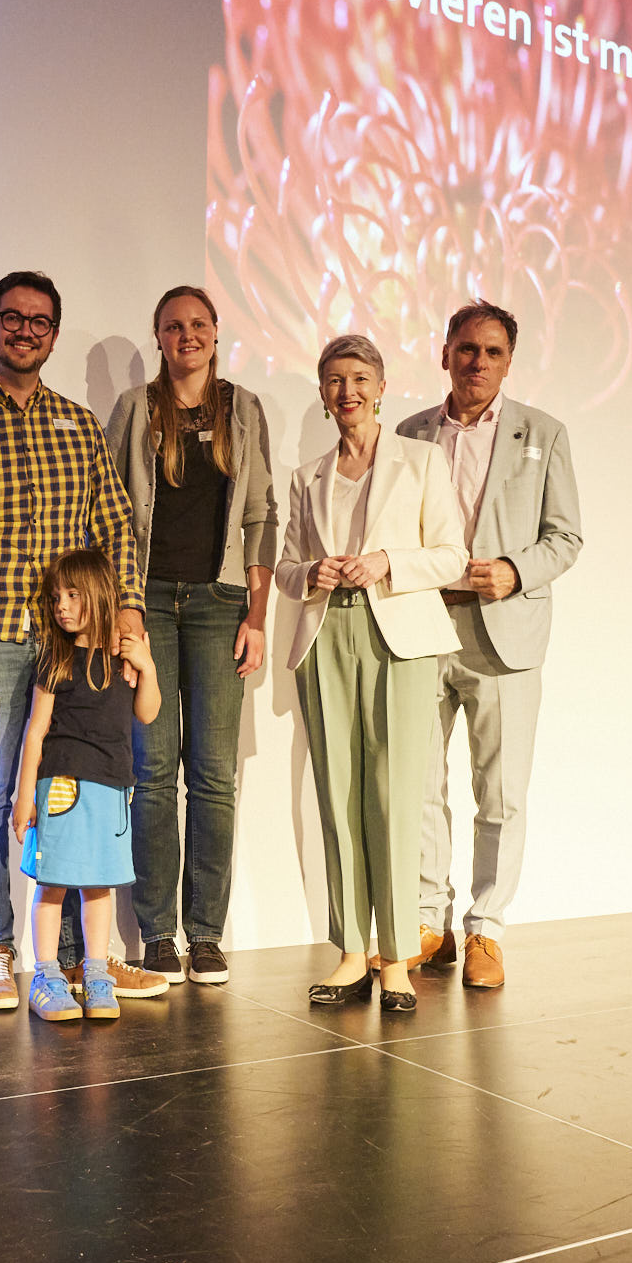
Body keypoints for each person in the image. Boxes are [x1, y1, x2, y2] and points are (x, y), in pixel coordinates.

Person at [0, 271, 169, 1009]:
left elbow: (115, 525)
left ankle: (79, 961)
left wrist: (127, 610)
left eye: (39, 321)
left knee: (74, 788)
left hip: (70, 645)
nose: (24, 330)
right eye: (11, 318)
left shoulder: (78, 425)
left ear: (53, 334)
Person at [276, 334, 466, 1013]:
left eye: (359, 378)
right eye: (334, 379)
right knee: (338, 794)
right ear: (323, 392)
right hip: (326, 633)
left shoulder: (421, 460)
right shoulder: (308, 476)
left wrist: (387, 562)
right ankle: (352, 950)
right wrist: (312, 572)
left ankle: (396, 956)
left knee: (394, 796)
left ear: (381, 388)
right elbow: (285, 568)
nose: (347, 390)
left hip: (400, 638)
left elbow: (452, 556)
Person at [397, 301, 583, 988]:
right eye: (467, 348)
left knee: (499, 792)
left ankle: (486, 929)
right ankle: (429, 922)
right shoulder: (409, 433)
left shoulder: (544, 433)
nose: (478, 362)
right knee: (419, 785)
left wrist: (513, 570)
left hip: (503, 633)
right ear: (444, 352)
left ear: (509, 362)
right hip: (421, 627)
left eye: (493, 352)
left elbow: (565, 536)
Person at [105, 286, 276, 985]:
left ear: (215, 332)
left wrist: (257, 616)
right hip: (146, 603)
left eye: (199, 324)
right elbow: (110, 511)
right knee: (151, 773)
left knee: (212, 776)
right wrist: (120, 610)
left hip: (220, 603)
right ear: (158, 336)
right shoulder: (134, 408)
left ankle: (205, 934)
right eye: (174, 326)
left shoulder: (245, 408)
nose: (187, 336)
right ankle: (157, 935)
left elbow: (261, 515)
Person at [11, 550, 162, 1020]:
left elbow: (147, 713)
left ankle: (97, 973)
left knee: (99, 885)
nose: (62, 606)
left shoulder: (123, 657)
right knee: (53, 884)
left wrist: (147, 666)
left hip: (111, 789)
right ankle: (47, 975)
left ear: (99, 595)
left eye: (73, 595)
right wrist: (24, 795)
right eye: (56, 597)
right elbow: (35, 731)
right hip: (60, 786)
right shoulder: (56, 658)